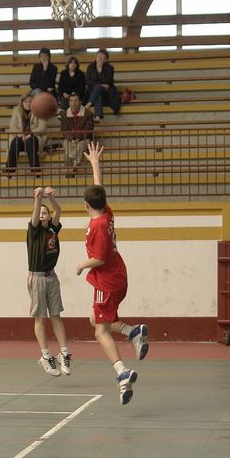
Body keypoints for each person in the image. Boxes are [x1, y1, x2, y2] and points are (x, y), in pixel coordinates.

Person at [76, 142, 149, 405]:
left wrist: (82, 265)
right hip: (119, 276)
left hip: (106, 281)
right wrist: (95, 164)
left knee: (100, 331)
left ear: (85, 205)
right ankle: (132, 331)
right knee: (94, 320)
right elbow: (99, 191)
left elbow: (99, 258)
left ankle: (122, 372)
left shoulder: (97, 226)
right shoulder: (106, 214)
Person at [27, 186, 71, 377]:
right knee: (40, 317)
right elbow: (35, 217)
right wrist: (38, 199)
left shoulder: (53, 228)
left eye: (46, 212)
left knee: (56, 314)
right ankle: (45, 355)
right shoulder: (34, 230)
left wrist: (51, 197)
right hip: (36, 277)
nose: (43, 215)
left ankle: (64, 352)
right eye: (41, 213)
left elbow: (58, 211)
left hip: (51, 276)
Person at [5, 94, 48, 175]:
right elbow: (12, 127)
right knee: (15, 141)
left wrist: (31, 134)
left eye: (30, 101)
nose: (28, 104)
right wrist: (22, 135)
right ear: (22, 102)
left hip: (34, 138)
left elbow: (43, 127)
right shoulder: (16, 110)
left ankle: (35, 167)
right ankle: (10, 168)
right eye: (26, 102)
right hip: (21, 137)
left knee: (30, 141)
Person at [59, 92, 94, 168]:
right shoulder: (64, 114)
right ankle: (76, 162)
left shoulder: (88, 113)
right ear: (69, 102)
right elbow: (64, 130)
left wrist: (77, 139)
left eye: (76, 100)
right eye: (71, 101)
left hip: (84, 139)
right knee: (65, 142)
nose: (73, 103)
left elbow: (88, 130)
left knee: (82, 144)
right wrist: (72, 139)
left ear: (80, 102)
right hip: (70, 139)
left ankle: (70, 158)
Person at [85, 48, 120, 121]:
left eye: (102, 58)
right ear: (96, 57)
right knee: (98, 93)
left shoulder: (110, 68)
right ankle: (97, 116)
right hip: (93, 91)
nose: (100, 59)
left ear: (106, 59)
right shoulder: (90, 67)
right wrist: (99, 86)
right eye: (98, 57)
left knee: (99, 89)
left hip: (106, 93)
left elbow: (108, 81)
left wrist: (100, 69)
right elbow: (88, 81)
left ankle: (89, 103)